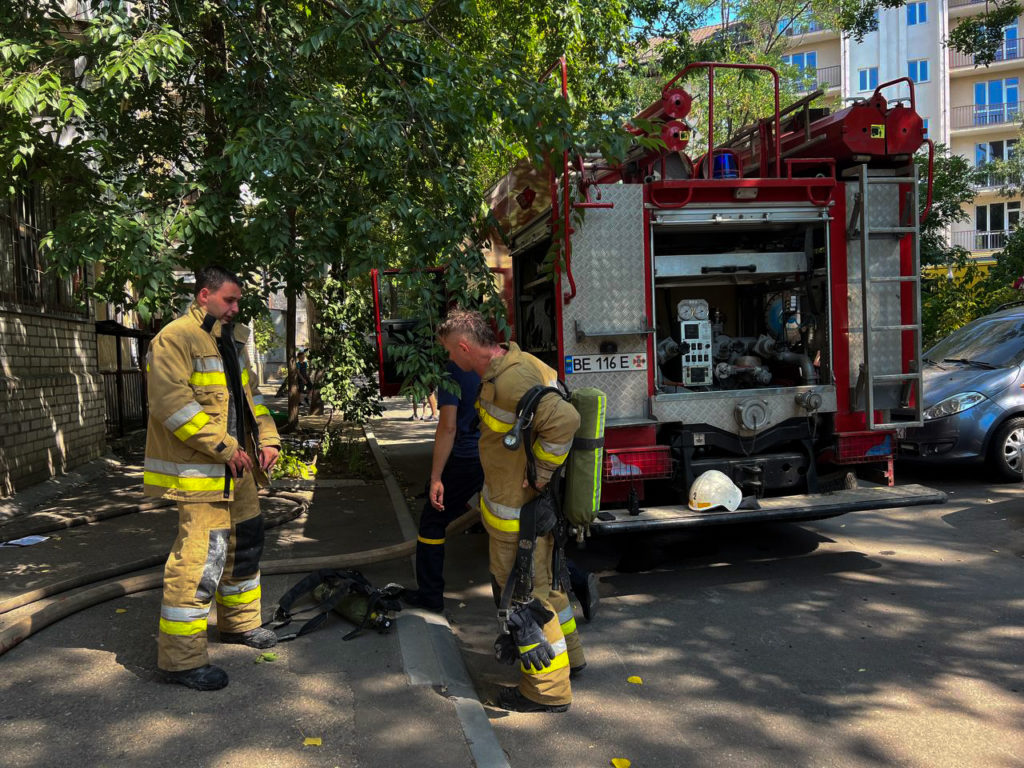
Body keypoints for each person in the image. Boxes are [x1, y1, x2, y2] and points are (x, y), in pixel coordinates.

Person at [438, 309, 584, 714]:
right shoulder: (519, 363)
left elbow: (566, 420)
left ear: (465, 346)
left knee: (525, 599)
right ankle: (571, 658)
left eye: (452, 352)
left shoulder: (511, 380)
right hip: (533, 512)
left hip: (518, 516)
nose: (452, 360)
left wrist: (538, 473)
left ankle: (546, 691)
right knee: (549, 585)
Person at [144, 265, 282, 691]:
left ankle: (239, 624)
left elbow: (251, 396)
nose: (235, 308)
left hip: (239, 470)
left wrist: (269, 438)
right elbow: (173, 406)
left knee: (246, 545)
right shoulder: (174, 339)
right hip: (202, 472)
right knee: (201, 560)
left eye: (237, 301)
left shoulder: (229, 341)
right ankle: (180, 661)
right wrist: (226, 447)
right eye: (229, 300)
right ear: (204, 295)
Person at [403, 362, 484, 613]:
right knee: (518, 524)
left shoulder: (456, 370)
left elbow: (448, 426)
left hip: (468, 457)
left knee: (432, 520)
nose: (446, 354)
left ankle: (430, 596)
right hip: (497, 454)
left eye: (448, 347)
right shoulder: (494, 361)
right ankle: (573, 576)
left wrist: (436, 477)